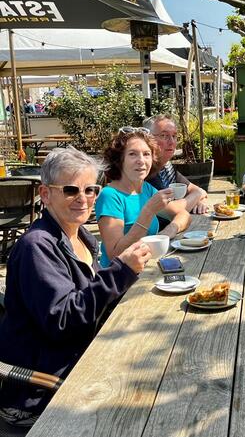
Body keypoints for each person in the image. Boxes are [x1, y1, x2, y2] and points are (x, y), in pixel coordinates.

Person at [0, 147, 151, 430]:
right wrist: (122, 272)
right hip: (42, 391)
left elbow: (88, 293)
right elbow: (64, 320)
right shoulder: (36, 247)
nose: (83, 199)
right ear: (45, 194)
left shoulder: (80, 236)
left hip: (79, 362)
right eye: (71, 190)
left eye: (91, 190)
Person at [96, 127, 191, 268]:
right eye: (133, 154)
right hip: (119, 280)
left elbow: (183, 214)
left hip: (147, 269)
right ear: (119, 160)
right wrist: (148, 212)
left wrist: (168, 232)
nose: (141, 161)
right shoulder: (110, 195)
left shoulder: (146, 188)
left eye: (146, 154)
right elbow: (115, 255)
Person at [143, 115, 209, 215]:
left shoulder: (167, 167)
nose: (172, 142)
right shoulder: (145, 171)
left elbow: (198, 190)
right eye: (164, 136)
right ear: (147, 139)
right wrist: (197, 196)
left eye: (174, 136)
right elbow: (174, 212)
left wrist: (200, 201)